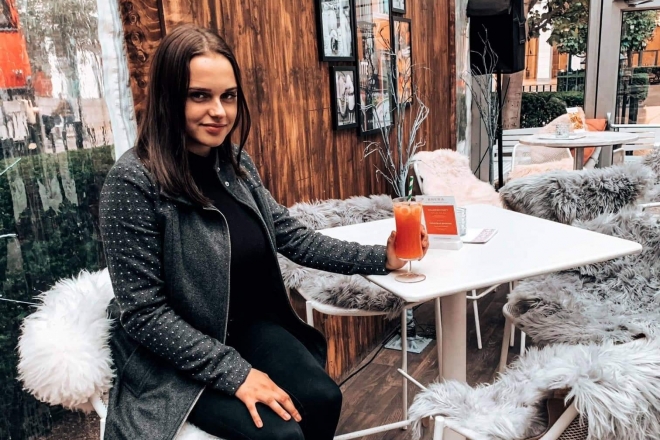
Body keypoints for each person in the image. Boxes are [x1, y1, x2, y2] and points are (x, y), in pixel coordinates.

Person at [99, 24, 428, 440]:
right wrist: (236, 373)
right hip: (171, 354)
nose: (219, 111)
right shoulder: (132, 183)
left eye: (228, 96)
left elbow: (293, 236)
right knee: (280, 434)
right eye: (199, 96)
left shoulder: (236, 166)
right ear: (168, 97)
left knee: (323, 398)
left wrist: (382, 258)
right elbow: (144, 314)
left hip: (244, 328)